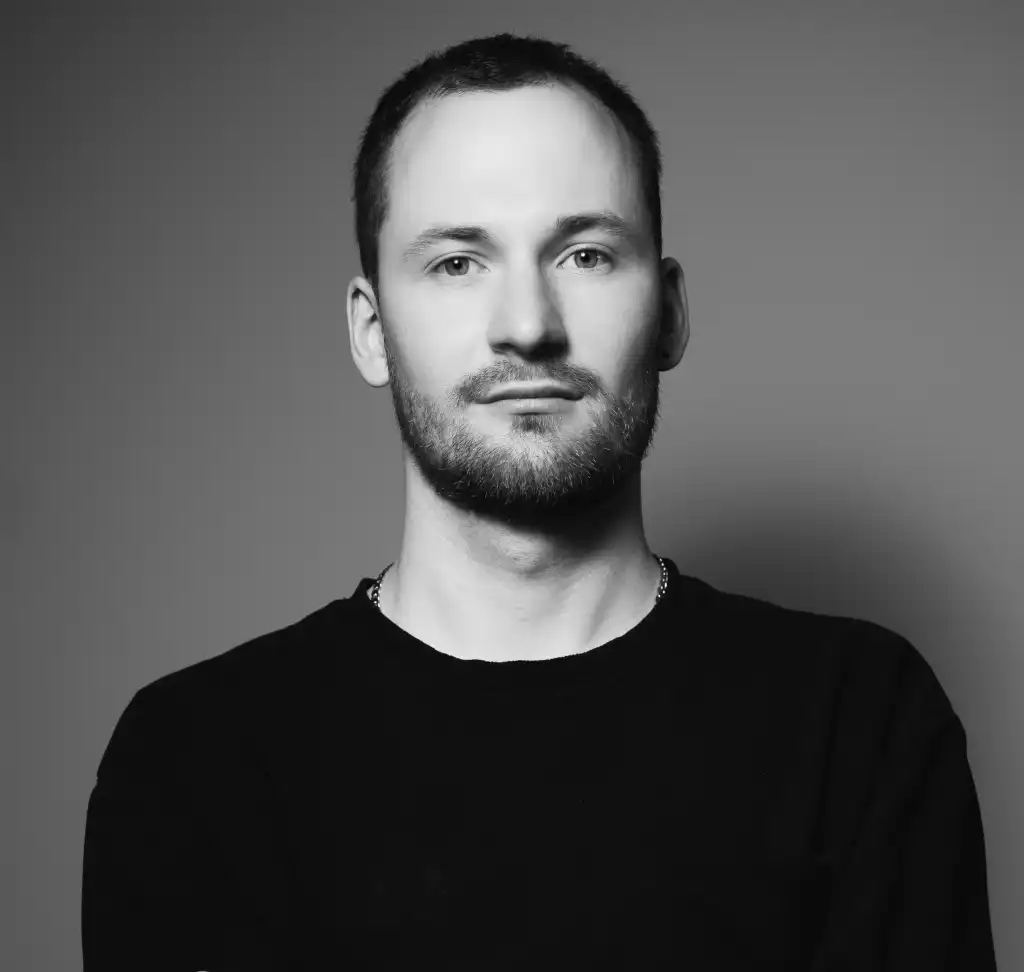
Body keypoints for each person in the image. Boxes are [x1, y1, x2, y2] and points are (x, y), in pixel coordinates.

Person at [82, 32, 997, 970]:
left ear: (669, 313)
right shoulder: (195, 758)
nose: (527, 326)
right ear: (371, 331)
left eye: (586, 255)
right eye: (457, 263)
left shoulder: (858, 721)